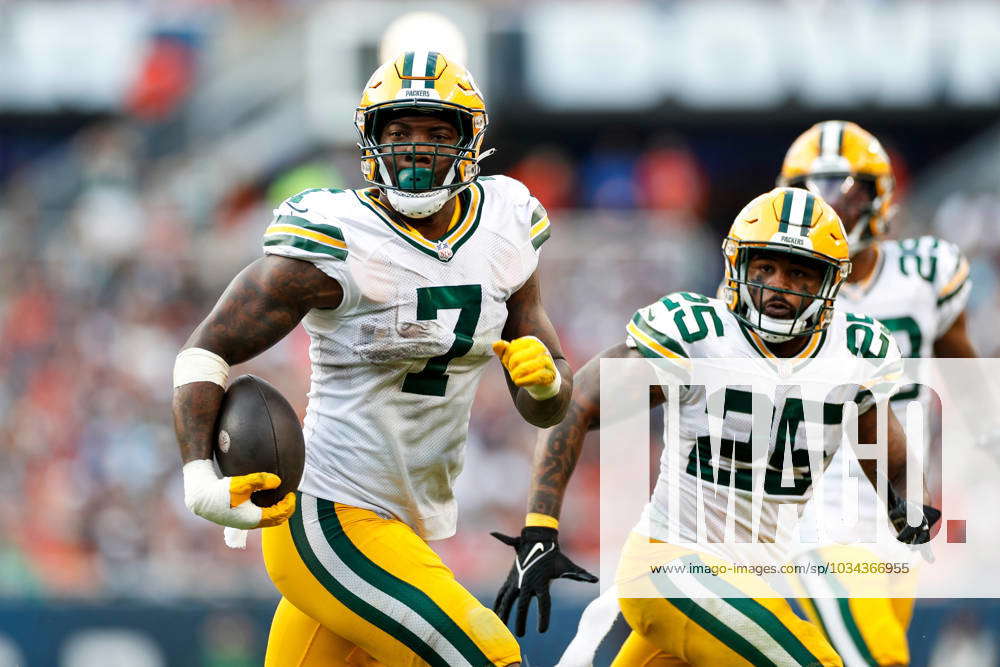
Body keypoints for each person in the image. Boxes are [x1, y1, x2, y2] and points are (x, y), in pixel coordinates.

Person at [172, 50, 573, 667]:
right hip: (328, 515)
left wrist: (545, 386)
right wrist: (200, 476)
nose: (416, 149)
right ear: (371, 141)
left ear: (471, 144)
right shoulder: (337, 236)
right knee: (486, 653)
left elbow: (546, 398)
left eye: (437, 133)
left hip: (400, 520)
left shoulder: (505, 224)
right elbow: (208, 349)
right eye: (400, 132)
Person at [493, 187, 939, 666]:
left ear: (829, 282)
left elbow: (890, 461)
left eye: (798, 272)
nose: (776, 285)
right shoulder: (699, 336)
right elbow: (574, 405)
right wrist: (540, 527)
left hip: (750, 581)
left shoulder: (854, 352)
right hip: (670, 563)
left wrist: (908, 508)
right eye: (764, 267)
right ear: (737, 266)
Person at [777, 120, 974, 667]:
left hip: (900, 513)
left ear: (880, 196)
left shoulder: (924, 274)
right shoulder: (774, 289)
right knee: (879, 656)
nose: (832, 207)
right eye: (813, 192)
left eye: (848, 191)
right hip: (813, 513)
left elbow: (963, 362)